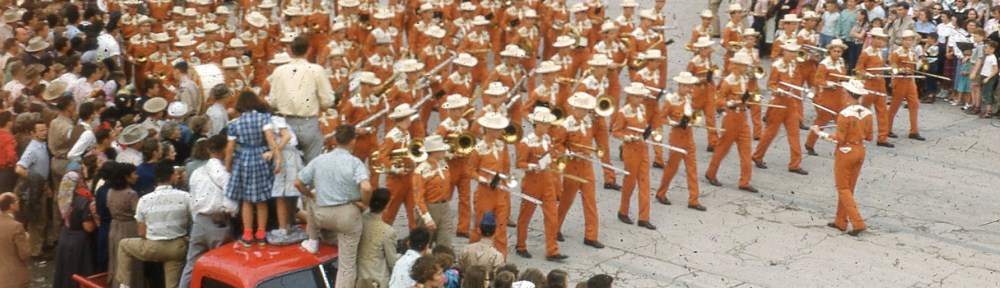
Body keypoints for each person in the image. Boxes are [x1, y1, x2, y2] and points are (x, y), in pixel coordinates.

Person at [295, 124, 374, 288]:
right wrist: (364, 203)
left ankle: (313, 239)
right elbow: (366, 187)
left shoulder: (319, 159)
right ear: (353, 141)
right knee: (347, 266)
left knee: (313, 196)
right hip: (346, 217)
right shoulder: (355, 163)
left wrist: (309, 193)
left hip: (321, 216)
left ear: (336, 140)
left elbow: (298, 182)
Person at [810, 79, 872, 237]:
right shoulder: (868, 113)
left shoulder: (844, 114)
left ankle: (857, 222)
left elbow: (839, 138)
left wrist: (819, 133)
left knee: (843, 188)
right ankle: (840, 220)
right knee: (848, 188)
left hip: (846, 152)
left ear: (848, 94)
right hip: (860, 149)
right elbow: (870, 136)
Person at [115, 162, 191, 288]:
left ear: (156, 178)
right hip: (177, 247)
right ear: (172, 176)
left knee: (123, 245)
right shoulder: (185, 197)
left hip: (153, 247)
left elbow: (141, 233)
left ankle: (124, 284)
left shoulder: (144, 200)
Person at [180, 134, 239, 288]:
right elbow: (232, 205)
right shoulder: (225, 174)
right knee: (221, 269)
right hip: (218, 223)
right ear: (224, 150)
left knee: (191, 266)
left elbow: (192, 200)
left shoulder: (197, 173)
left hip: (199, 222)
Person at [267, 36, 336, 162]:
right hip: (309, 123)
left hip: (286, 123)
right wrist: (319, 103)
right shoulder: (317, 70)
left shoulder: (279, 71)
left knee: (288, 167)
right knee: (312, 165)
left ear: (291, 51)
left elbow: (272, 102)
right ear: (309, 50)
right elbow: (328, 100)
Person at [513, 107, 568, 262]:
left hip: (547, 181)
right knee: (526, 216)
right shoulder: (526, 142)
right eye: (544, 124)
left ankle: (552, 250)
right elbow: (519, 163)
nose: (547, 127)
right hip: (532, 182)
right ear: (536, 123)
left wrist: (558, 156)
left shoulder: (547, 139)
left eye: (548, 124)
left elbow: (551, 156)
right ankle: (521, 246)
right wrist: (532, 166)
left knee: (552, 217)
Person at [225, 91, 280, 246]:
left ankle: (248, 234)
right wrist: (277, 157)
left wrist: (228, 165)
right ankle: (261, 233)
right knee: (262, 199)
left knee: (246, 200)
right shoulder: (264, 118)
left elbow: (230, 148)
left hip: (244, 159)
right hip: (261, 157)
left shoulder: (234, 123)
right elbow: (270, 139)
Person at [553, 92, 604, 249]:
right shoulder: (566, 125)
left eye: (585, 110)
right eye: (580, 109)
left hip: (586, 164)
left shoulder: (588, 121)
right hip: (572, 166)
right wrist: (568, 153)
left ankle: (591, 236)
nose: (583, 112)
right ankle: (554, 228)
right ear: (574, 108)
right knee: (567, 200)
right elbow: (557, 145)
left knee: (590, 201)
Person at [705, 52, 759, 193]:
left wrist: (749, 100)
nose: (747, 68)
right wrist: (731, 102)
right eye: (744, 65)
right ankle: (711, 173)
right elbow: (718, 101)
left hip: (742, 118)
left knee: (746, 151)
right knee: (722, 149)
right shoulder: (727, 82)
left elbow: (749, 96)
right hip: (731, 118)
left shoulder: (744, 79)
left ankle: (745, 181)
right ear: (737, 66)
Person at [655, 72, 707, 211]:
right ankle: (661, 193)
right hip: (677, 137)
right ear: (681, 85)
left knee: (692, 168)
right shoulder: (671, 100)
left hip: (688, 136)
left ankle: (694, 200)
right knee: (672, 168)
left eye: (690, 86)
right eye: (687, 86)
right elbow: (661, 118)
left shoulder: (689, 98)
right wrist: (673, 122)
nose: (689, 89)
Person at [611, 83, 656, 230]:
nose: (639, 99)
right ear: (630, 96)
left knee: (645, 183)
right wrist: (627, 137)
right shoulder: (624, 112)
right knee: (630, 182)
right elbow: (616, 132)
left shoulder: (642, 109)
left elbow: (644, 126)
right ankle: (623, 211)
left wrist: (647, 134)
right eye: (636, 96)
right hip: (630, 150)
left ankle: (644, 217)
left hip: (642, 148)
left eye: (641, 96)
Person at [52, 158, 98, 288]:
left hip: (65, 238)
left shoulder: (62, 198)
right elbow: (88, 227)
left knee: (65, 273)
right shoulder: (83, 201)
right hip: (80, 243)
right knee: (79, 276)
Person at [378, 104, 420, 229]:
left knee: (413, 212)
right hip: (395, 180)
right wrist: (394, 168)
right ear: (404, 119)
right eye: (408, 118)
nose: (410, 120)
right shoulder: (392, 136)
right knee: (389, 212)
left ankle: (414, 240)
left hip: (409, 177)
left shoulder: (406, 133)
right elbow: (382, 156)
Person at [14, 120, 50, 258]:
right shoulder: (32, 149)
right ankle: (35, 250)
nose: (44, 132)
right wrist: (35, 180)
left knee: (41, 218)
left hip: (42, 186)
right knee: (37, 220)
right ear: (32, 133)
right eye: (40, 131)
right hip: (34, 190)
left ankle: (38, 245)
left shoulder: (42, 145)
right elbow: (19, 169)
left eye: (45, 129)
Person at [855, 28, 896, 148]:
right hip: (869, 85)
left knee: (882, 111)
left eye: (881, 39)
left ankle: (882, 138)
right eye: (877, 38)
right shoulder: (866, 52)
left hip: (880, 84)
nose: (879, 41)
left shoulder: (880, 52)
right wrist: (867, 75)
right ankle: (859, 135)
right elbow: (858, 69)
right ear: (872, 38)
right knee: (864, 111)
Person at [105, 162, 143, 288]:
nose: (137, 176)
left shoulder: (110, 191)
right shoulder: (131, 194)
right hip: (129, 228)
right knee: (131, 263)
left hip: (114, 227)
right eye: (134, 174)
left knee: (116, 260)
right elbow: (139, 213)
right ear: (126, 177)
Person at [412, 135, 455, 248]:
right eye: (441, 150)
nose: (444, 151)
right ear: (434, 152)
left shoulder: (443, 164)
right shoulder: (420, 171)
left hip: (445, 207)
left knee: (445, 244)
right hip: (429, 208)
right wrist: (427, 218)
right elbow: (418, 198)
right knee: (425, 245)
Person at [267, 111, 303, 239]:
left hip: (285, 156)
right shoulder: (280, 120)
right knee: (290, 194)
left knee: (280, 195)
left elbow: (286, 137)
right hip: (292, 156)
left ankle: (283, 228)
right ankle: (290, 223)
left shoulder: (272, 120)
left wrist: (274, 151)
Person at [887, 30, 927, 141]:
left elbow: (915, 68)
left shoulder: (912, 52)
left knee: (914, 104)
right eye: (906, 40)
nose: (908, 42)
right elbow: (892, 68)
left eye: (910, 40)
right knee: (894, 106)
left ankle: (914, 131)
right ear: (902, 41)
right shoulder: (897, 53)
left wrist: (922, 62)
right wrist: (900, 70)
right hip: (899, 81)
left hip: (910, 81)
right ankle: (887, 129)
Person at [357, 188, 398, 288]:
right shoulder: (388, 231)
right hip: (378, 281)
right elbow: (392, 262)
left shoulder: (360, 219)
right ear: (387, 205)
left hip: (359, 277)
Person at [0, 192, 31, 288]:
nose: (19, 202)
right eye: (16, 201)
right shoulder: (16, 226)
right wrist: (27, 238)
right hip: (15, 278)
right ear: (11, 206)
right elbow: (24, 254)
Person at [0, 111, 17, 193]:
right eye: (12, 120)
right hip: (5, 172)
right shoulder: (9, 137)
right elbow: (11, 156)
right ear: (8, 123)